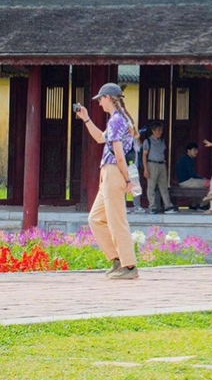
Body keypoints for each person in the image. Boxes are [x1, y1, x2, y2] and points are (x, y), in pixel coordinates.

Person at [73, 83, 139, 280]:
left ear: (109, 98)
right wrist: (86, 118)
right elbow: (100, 138)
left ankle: (129, 266)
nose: (99, 103)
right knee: (95, 218)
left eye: (101, 99)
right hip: (109, 174)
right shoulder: (119, 119)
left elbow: (119, 155)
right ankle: (117, 259)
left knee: (117, 221)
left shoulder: (116, 120)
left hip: (114, 172)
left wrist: (127, 179)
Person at [142, 122, 177, 214]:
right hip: (152, 164)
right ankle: (152, 206)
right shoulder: (148, 141)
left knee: (164, 186)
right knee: (151, 186)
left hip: (161, 164)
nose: (160, 132)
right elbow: (144, 155)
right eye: (158, 130)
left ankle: (168, 205)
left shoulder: (162, 141)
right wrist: (145, 169)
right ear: (153, 131)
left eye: (161, 130)